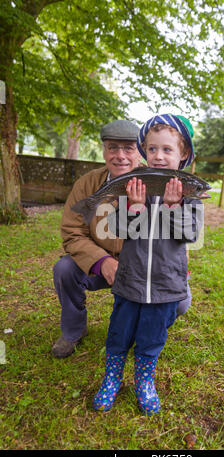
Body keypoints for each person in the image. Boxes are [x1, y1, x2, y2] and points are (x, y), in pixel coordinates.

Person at [52, 119, 192, 359]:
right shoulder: (87, 184)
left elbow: (181, 238)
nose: (120, 156)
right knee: (64, 269)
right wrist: (101, 261)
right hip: (102, 266)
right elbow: (72, 232)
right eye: (112, 147)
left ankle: (146, 329)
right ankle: (74, 330)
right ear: (104, 151)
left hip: (145, 270)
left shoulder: (162, 184)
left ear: (140, 153)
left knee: (180, 301)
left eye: (128, 148)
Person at [92, 114, 203, 415]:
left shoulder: (189, 194)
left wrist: (173, 207)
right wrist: (135, 207)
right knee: (119, 331)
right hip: (131, 279)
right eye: (152, 149)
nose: (159, 156)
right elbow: (118, 230)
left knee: (152, 336)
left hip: (166, 284)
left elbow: (190, 233)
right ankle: (112, 377)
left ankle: (144, 379)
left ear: (184, 156)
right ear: (144, 152)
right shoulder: (136, 185)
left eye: (168, 150)